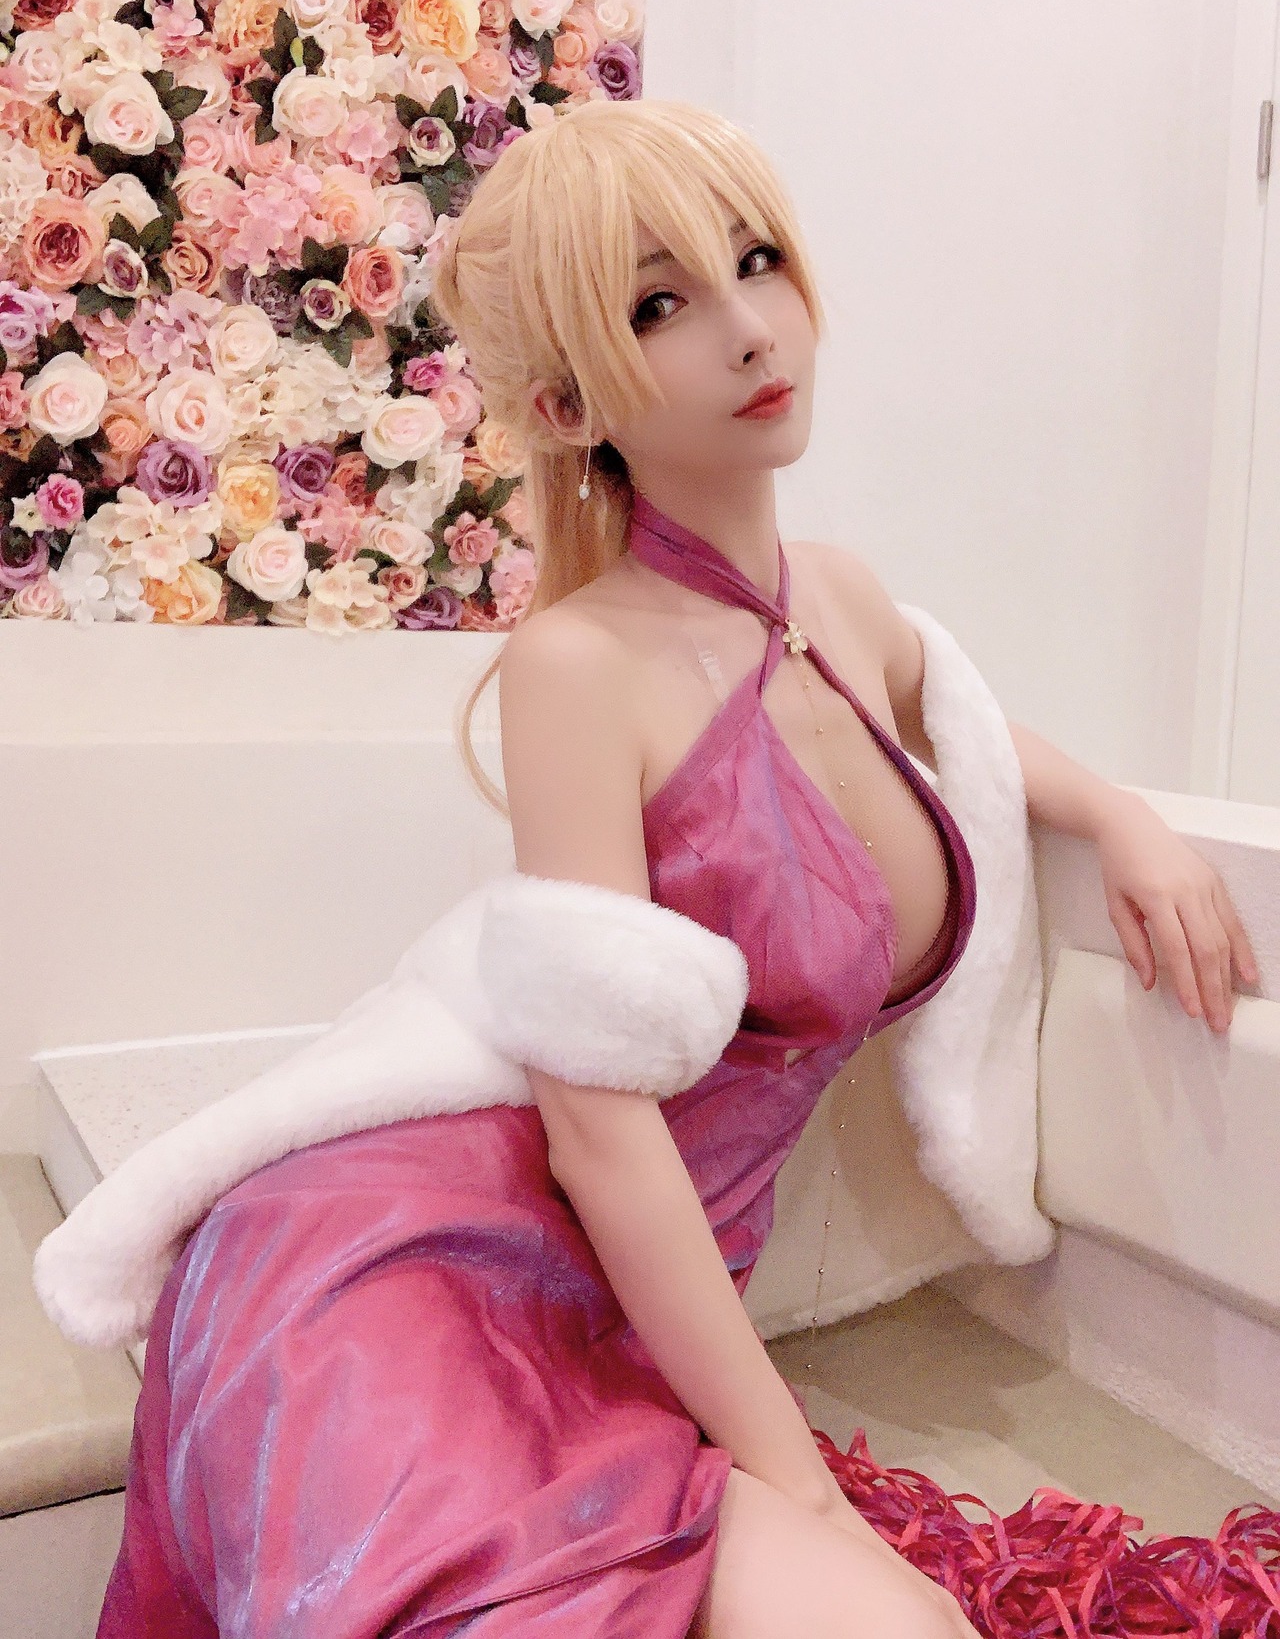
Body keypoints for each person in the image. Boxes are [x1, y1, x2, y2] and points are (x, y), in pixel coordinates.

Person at [95, 97, 1261, 1638]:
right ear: (571, 403)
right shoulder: (579, 667)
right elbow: (597, 1129)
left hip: (648, 1296)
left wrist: (1122, 817)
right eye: (660, 306)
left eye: (757, 261)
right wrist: (805, 1485)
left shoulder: (842, 600)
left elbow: (966, 738)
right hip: (430, 1276)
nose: (749, 328)